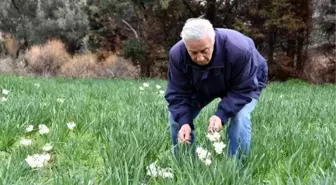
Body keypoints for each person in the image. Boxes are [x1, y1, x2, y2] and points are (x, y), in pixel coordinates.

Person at [164, 18, 268, 159]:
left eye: (204, 51)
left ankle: (236, 170)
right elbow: (177, 93)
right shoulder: (177, 54)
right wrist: (184, 122)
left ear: (213, 41)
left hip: (243, 83)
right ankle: (184, 165)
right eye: (193, 53)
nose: (200, 58)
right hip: (203, 83)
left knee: (240, 117)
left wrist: (221, 115)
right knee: (176, 118)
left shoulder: (239, 50)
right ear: (186, 46)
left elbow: (244, 89)